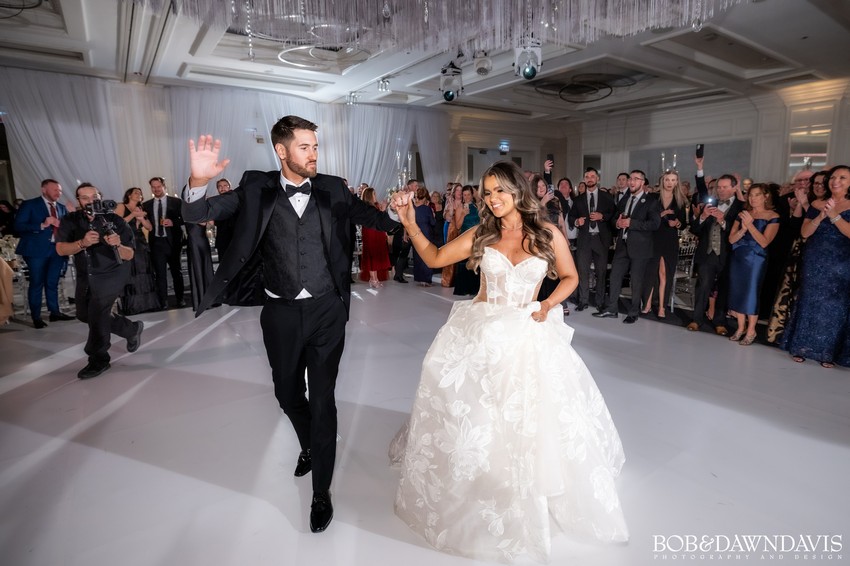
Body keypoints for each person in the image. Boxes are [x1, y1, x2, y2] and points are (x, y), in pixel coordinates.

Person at [388, 161, 628, 562]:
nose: (493, 198)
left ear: (518, 190)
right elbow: (435, 257)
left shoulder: (547, 233)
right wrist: (410, 223)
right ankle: (481, 481)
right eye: (487, 192)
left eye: (500, 190)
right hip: (483, 331)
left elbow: (570, 277)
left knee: (529, 416)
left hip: (527, 332)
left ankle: (521, 482)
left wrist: (547, 304)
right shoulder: (484, 233)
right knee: (478, 412)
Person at [181, 115, 400, 533]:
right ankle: (310, 445)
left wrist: (396, 211)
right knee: (286, 392)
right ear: (281, 151)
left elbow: (378, 220)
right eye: (305, 147)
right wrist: (197, 181)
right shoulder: (254, 188)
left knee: (323, 400)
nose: (314, 154)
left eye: (315, 146)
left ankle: (321, 493)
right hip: (280, 312)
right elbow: (197, 212)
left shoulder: (333, 188)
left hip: (327, 311)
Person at [55, 183, 144, 379]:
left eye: (94, 197)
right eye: (85, 198)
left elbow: (129, 254)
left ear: (100, 197)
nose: (90, 201)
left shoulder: (115, 220)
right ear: (78, 201)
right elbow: (60, 249)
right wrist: (82, 243)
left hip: (112, 274)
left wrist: (118, 244)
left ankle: (98, 359)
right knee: (84, 314)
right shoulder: (70, 220)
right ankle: (131, 329)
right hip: (86, 275)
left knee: (97, 313)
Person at [782, 165, 850, 368]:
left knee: (835, 306)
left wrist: (834, 215)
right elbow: (804, 233)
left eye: (842, 177)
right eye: (833, 177)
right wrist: (821, 216)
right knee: (809, 301)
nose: (836, 181)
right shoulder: (817, 203)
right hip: (815, 259)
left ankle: (827, 352)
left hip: (841, 262)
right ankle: (801, 347)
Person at [14, 179, 74, 327]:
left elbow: (68, 229)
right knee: (37, 283)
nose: (58, 193)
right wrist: (42, 224)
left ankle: (55, 313)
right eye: (55, 190)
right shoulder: (30, 204)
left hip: (57, 250)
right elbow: (18, 226)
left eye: (60, 190)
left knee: (52, 283)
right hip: (36, 251)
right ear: (44, 189)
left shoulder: (61, 208)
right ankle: (36, 317)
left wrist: (71, 217)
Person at [726, 184, 780, 345]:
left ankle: (751, 330)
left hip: (756, 258)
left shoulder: (772, 216)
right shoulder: (743, 214)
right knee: (737, 291)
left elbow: (764, 242)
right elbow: (731, 239)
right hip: (738, 256)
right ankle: (740, 327)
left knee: (751, 293)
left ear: (765, 196)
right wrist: (743, 229)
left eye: (757, 195)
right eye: (750, 195)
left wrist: (750, 225)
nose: (753, 198)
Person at [642, 171, 687, 318]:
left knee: (664, 274)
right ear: (663, 181)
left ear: (676, 182)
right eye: (667, 179)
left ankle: (662, 307)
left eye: (673, 180)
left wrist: (677, 223)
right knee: (650, 274)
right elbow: (645, 217)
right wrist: (660, 215)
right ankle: (647, 304)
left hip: (670, 241)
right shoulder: (653, 197)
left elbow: (683, 223)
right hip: (653, 239)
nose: (669, 183)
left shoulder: (680, 201)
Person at [115, 187, 161, 314]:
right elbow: (117, 224)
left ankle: (147, 304)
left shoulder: (141, 208)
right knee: (131, 271)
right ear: (129, 195)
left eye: (140, 193)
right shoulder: (121, 206)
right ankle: (133, 306)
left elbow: (150, 227)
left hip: (140, 242)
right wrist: (133, 215)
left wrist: (141, 219)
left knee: (143, 270)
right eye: (136, 192)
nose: (139, 194)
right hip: (126, 242)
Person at [142, 176, 186, 309]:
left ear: (164, 187)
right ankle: (163, 302)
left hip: (173, 242)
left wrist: (173, 222)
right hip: (157, 243)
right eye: (153, 187)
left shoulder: (176, 202)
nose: (156, 189)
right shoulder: (146, 205)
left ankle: (180, 299)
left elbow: (185, 218)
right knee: (160, 274)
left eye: (158, 186)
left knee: (176, 272)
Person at [357, 187, 393, 287]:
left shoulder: (375, 206)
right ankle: (373, 279)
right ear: (369, 196)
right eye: (374, 194)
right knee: (372, 255)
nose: (375, 196)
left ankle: (375, 278)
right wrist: (383, 210)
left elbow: (381, 219)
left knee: (376, 255)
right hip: (371, 233)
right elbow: (375, 218)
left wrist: (383, 209)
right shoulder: (365, 207)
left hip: (377, 232)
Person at [452, 184, 481, 296]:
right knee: (466, 262)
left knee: (476, 262)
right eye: (464, 195)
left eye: (468, 194)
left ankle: (475, 289)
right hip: (465, 237)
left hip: (477, 237)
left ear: (472, 195)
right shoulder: (460, 208)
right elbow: (458, 226)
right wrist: (463, 214)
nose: (467, 197)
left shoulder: (477, 206)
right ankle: (465, 288)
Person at [412, 187, 435, 286]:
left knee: (417, 256)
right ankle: (426, 279)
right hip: (426, 233)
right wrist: (433, 214)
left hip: (415, 234)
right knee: (427, 255)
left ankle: (419, 278)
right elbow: (433, 223)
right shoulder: (427, 209)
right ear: (425, 197)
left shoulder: (413, 209)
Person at [212, 178, 236, 259]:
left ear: (229, 187)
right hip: (222, 237)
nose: (222, 188)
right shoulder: (215, 202)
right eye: (220, 186)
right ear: (217, 189)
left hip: (236, 237)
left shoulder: (236, 199)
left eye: (225, 185)